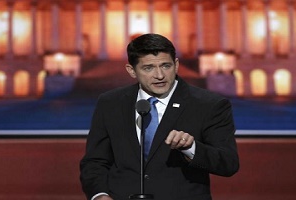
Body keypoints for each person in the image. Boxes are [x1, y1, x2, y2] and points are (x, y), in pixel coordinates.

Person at [80, 33, 239, 200]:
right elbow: (94, 162)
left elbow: (228, 163)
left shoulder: (209, 104)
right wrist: (99, 195)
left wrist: (190, 148)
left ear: (176, 65)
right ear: (132, 71)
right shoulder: (110, 103)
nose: (160, 75)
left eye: (165, 66)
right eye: (148, 68)